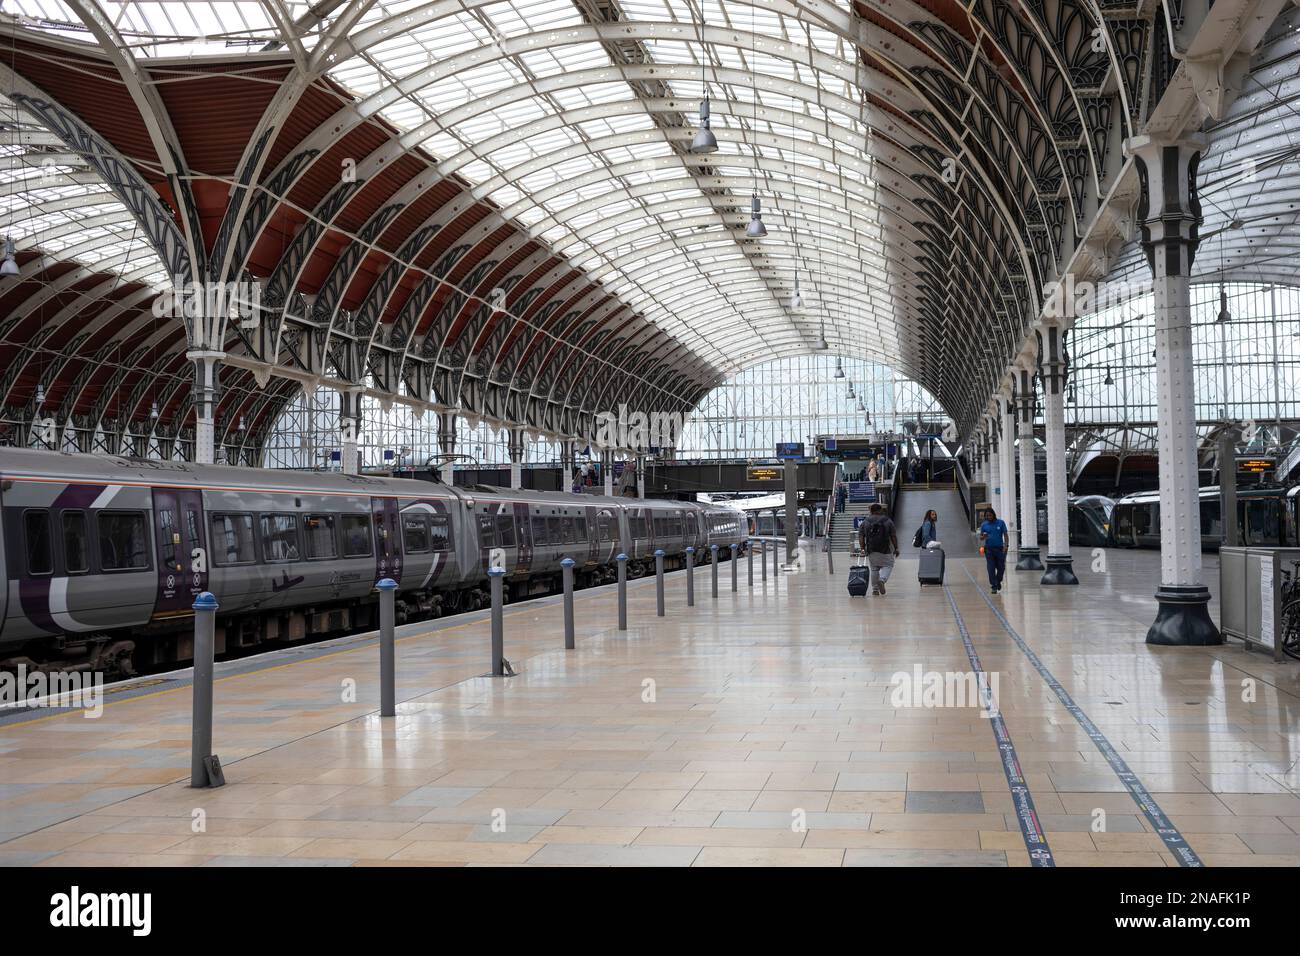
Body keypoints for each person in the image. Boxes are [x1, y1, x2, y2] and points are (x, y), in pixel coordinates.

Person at [858, 502, 899, 596]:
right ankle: (882, 580)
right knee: (889, 565)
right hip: (885, 549)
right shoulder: (888, 521)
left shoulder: (865, 522)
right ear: (880, 510)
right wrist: (896, 548)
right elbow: (893, 536)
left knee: (874, 569)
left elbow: (861, 536)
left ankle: (875, 589)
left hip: (871, 549)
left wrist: (862, 548)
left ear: (871, 511)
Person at [978, 507, 1009, 593]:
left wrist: (1006, 546)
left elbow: (1005, 535)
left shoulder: (1001, 523)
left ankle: (998, 581)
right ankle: (994, 586)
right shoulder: (984, 525)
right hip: (989, 550)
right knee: (990, 568)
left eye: (990, 515)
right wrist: (983, 537)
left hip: (1000, 549)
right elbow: (981, 537)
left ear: (993, 514)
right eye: (986, 516)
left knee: (1001, 568)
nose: (988, 517)